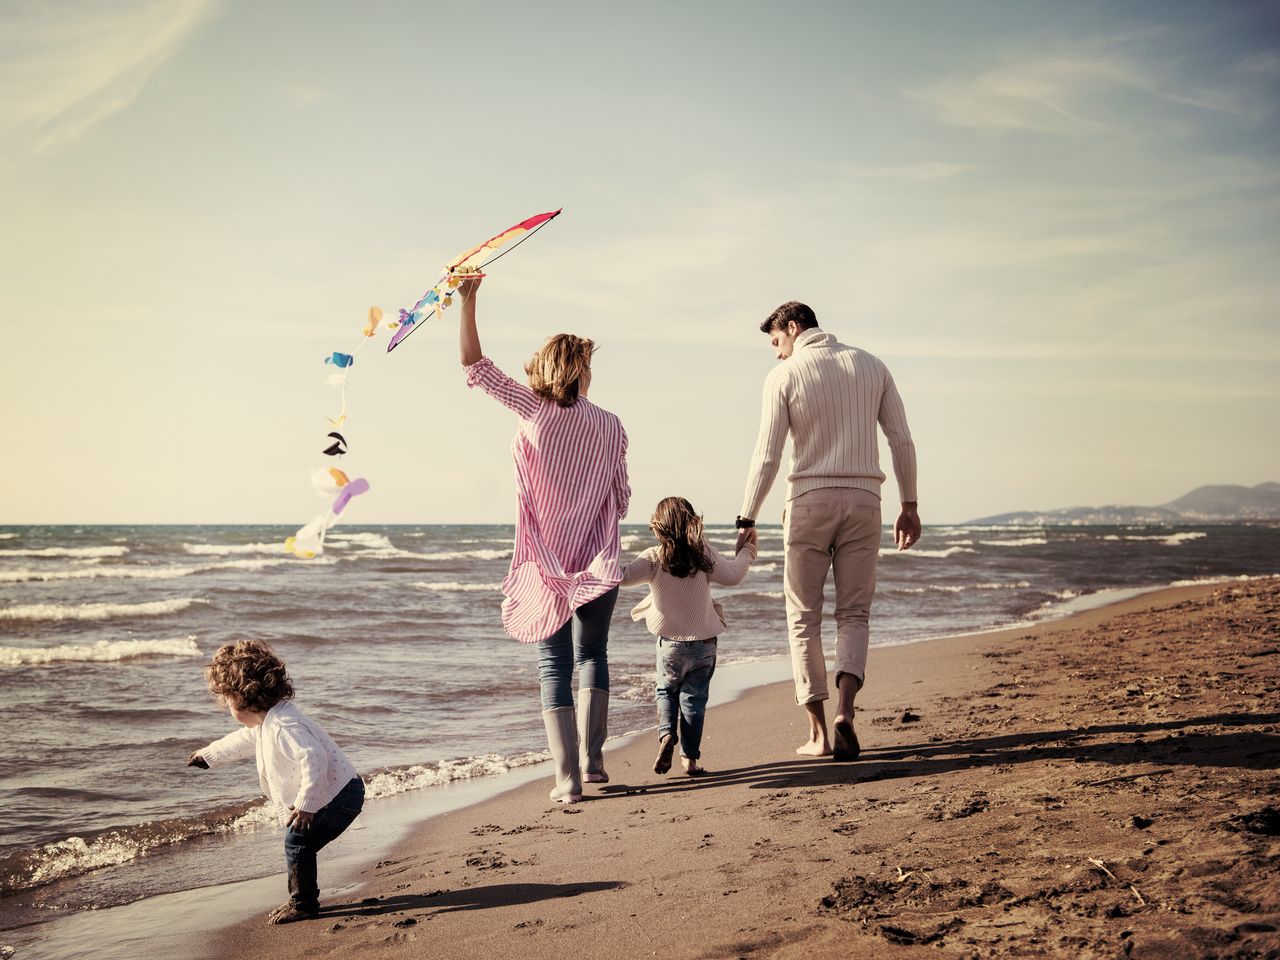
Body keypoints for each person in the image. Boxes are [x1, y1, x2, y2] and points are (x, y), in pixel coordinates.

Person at [458, 277, 630, 804]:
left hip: (546, 563)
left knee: (554, 665)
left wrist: (466, 301)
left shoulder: (532, 409)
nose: (593, 374)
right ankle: (594, 760)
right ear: (576, 369)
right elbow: (621, 495)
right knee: (593, 654)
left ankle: (567, 780)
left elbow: (474, 366)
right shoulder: (611, 424)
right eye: (589, 365)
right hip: (599, 557)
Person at [737, 300, 920, 762]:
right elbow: (901, 439)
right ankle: (845, 711)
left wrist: (747, 516)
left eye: (777, 342)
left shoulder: (784, 375)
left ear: (794, 329)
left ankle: (818, 734)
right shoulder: (873, 366)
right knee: (854, 614)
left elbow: (768, 455)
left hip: (808, 502)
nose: (777, 353)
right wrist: (910, 504)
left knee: (804, 617)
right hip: (865, 502)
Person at [187, 639, 363, 924]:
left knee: (297, 843)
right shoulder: (268, 720)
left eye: (227, 701)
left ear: (242, 698)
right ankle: (301, 897)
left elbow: (314, 756)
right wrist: (210, 755)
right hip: (338, 791)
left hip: (339, 795)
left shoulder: (283, 726)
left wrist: (306, 805)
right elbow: (242, 740)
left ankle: (304, 903)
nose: (228, 709)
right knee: (299, 844)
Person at [621, 497, 757, 776]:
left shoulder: (653, 557)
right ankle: (690, 761)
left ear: (658, 528)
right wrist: (749, 550)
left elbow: (620, 577)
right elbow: (732, 576)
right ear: (692, 522)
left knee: (666, 692)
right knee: (694, 700)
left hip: (670, 645)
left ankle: (667, 735)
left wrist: (601, 545)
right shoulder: (702, 554)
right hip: (705, 645)